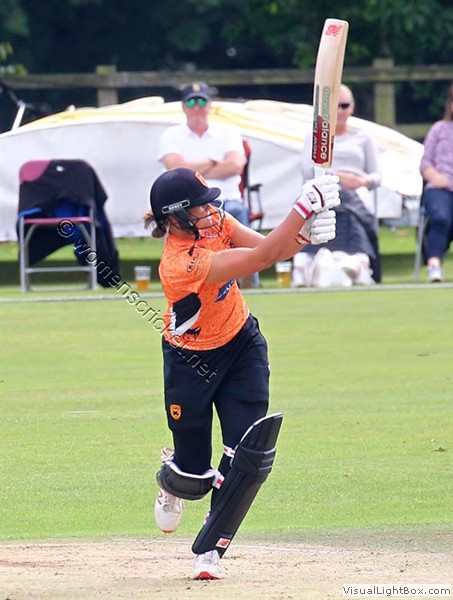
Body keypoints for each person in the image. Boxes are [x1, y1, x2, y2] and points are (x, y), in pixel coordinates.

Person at [144, 167, 340, 580]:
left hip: (241, 345)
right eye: (200, 206)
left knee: (246, 454)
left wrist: (305, 234)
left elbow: (271, 248)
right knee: (193, 477)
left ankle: (210, 551)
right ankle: (172, 475)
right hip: (190, 362)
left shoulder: (217, 223)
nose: (211, 210)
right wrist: (302, 207)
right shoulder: (180, 263)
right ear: (176, 216)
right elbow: (261, 259)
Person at [158, 81, 259, 287]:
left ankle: (249, 278)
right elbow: (174, 170)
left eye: (202, 101)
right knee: (188, 218)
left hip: (228, 201)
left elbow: (235, 166)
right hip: (187, 206)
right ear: (183, 107)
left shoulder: (229, 132)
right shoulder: (170, 135)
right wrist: (213, 163)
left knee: (234, 212)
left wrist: (191, 170)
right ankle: (190, 277)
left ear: (210, 105)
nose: (197, 107)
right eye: (191, 102)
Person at [298, 84, 382, 285]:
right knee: (333, 199)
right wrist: (336, 177)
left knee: (349, 205)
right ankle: (309, 260)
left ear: (352, 108)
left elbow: (377, 175)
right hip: (324, 189)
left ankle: (357, 259)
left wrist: (362, 181)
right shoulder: (315, 138)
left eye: (345, 106)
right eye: (335, 106)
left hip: (356, 190)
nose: (340, 111)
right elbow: (307, 170)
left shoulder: (363, 138)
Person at [419, 80, 453, 283]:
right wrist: (436, 177)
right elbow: (425, 163)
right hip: (441, 188)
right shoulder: (439, 129)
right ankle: (434, 265)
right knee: (440, 217)